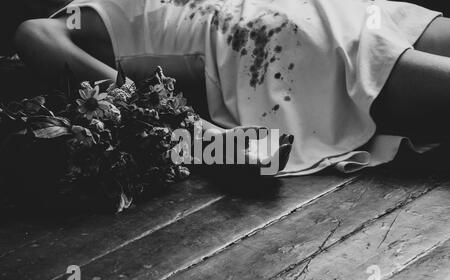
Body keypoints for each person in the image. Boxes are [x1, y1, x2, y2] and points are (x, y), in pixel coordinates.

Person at [12, 0, 450, 176]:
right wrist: (189, 128)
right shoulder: (88, 14)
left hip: (326, 14)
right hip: (284, 42)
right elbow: (34, 33)